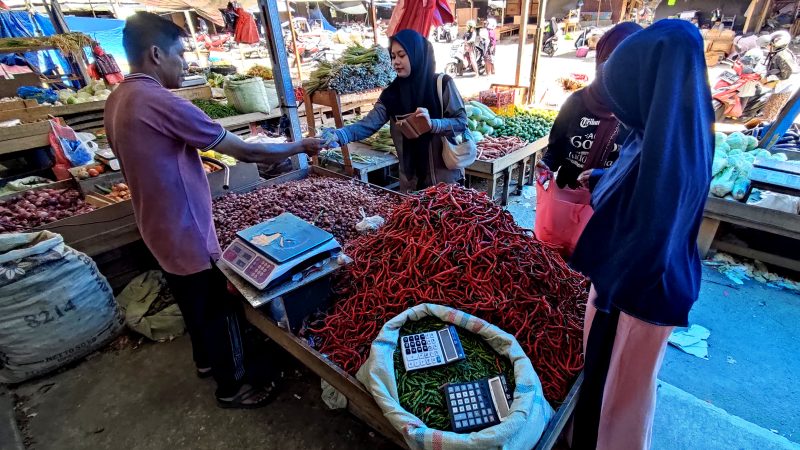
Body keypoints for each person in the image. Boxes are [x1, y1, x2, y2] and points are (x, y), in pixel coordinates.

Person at [105, 12, 323, 409]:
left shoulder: (118, 98)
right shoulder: (159, 101)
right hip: (186, 229)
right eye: (180, 54)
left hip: (156, 226)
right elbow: (246, 151)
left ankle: (205, 362)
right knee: (221, 309)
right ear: (156, 54)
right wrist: (298, 146)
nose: (185, 63)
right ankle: (234, 386)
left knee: (192, 304)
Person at [568, 20, 713, 449]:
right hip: (637, 288)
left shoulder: (669, 153)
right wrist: (604, 176)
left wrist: (609, 294)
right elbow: (635, 179)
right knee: (615, 389)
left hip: (637, 296)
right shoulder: (670, 131)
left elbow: (652, 226)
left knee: (618, 402)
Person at [321, 29, 468, 192]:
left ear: (416, 54)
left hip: (444, 182)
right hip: (411, 183)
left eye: (402, 55)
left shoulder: (442, 84)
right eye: (393, 56)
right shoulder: (391, 94)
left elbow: (461, 122)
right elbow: (369, 124)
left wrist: (432, 124)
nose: (396, 62)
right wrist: (340, 135)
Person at [536, 22, 642, 191]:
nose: (617, 71)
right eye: (610, 60)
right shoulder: (577, 101)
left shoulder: (641, 114)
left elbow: (641, 169)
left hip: (611, 200)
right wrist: (547, 162)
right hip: (568, 196)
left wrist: (604, 177)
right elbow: (556, 146)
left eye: (627, 63)